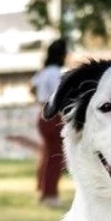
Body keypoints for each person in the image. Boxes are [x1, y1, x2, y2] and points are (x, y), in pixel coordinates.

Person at [32, 39, 67, 208]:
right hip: (53, 117)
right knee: (55, 157)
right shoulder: (55, 73)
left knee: (47, 155)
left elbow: (32, 88)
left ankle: (42, 190)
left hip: (41, 115)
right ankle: (50, 195)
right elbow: (60, 96)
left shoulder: (43, 72)